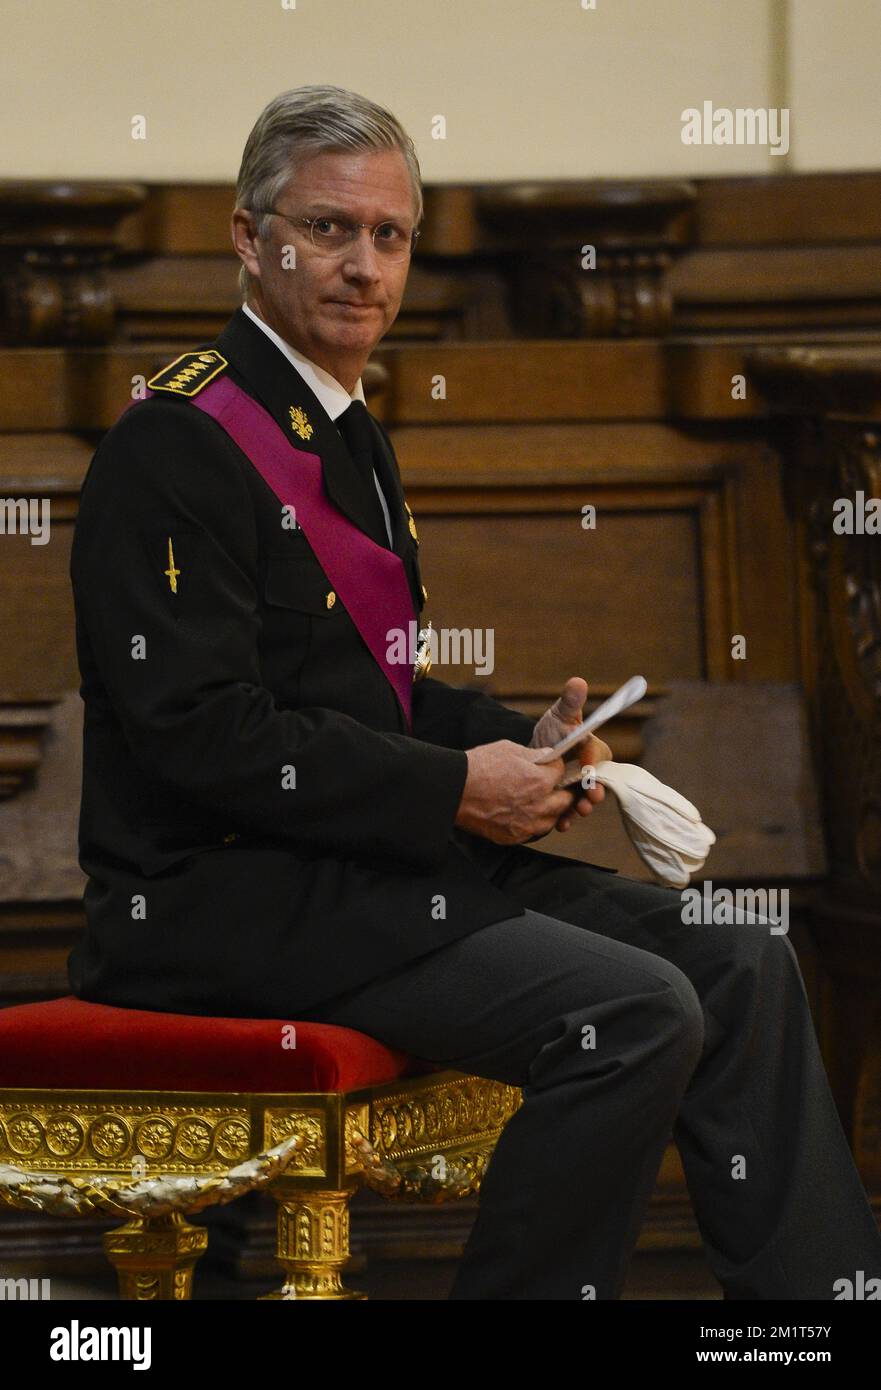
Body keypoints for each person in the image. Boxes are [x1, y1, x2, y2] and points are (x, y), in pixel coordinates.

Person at [68, 85, 881, 1300]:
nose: (362, 267)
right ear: (249, 239)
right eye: (328, 229)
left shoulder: (347, 425)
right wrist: (455, 790)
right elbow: (201, 735)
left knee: (742, 960)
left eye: (388, 236)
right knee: (637, 1010)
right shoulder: (176, 442)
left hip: (362, 871)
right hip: (228, 899)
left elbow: (375, 690)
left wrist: (530, 745)